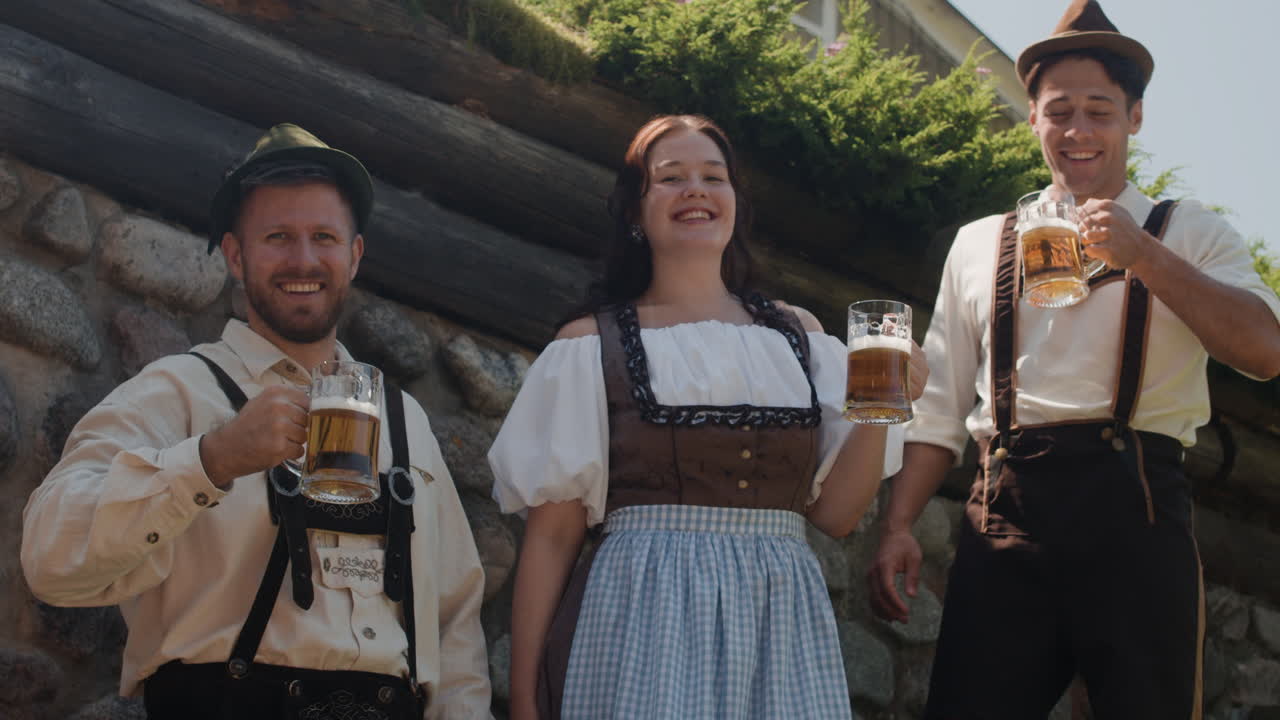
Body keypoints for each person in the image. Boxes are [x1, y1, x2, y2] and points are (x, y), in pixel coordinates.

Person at [865, 1, 1280, 718]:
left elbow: (1264, 351)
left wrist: (1144, 254)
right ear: (1032, 119)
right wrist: (899, 525)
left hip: (1138, 510)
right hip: (1006, 512)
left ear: (1136, 118)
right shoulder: (980, 243)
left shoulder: (1188, 231)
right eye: (1060, 112)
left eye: (1100, 110)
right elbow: (939, 405)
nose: (1078, 131)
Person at [21, 124, 492, 719]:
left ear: (354, 255)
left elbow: (456, 628)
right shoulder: (175, 392)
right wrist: (211, 460)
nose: (303, 259)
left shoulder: (406, 422)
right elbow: (50, 560)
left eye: (324, 236)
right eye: (278, 237)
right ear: (236, 257)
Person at [487, 114, 929, 720]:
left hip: (779, 619)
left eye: (712, 176)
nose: (695, 189)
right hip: (642, 618)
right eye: (670, 177)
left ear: (735, 204)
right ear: (634, 213)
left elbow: (837, 513)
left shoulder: (800, 337)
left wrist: (885, 406)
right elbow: (553, 535)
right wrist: (525, 701)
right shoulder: (591, 345)